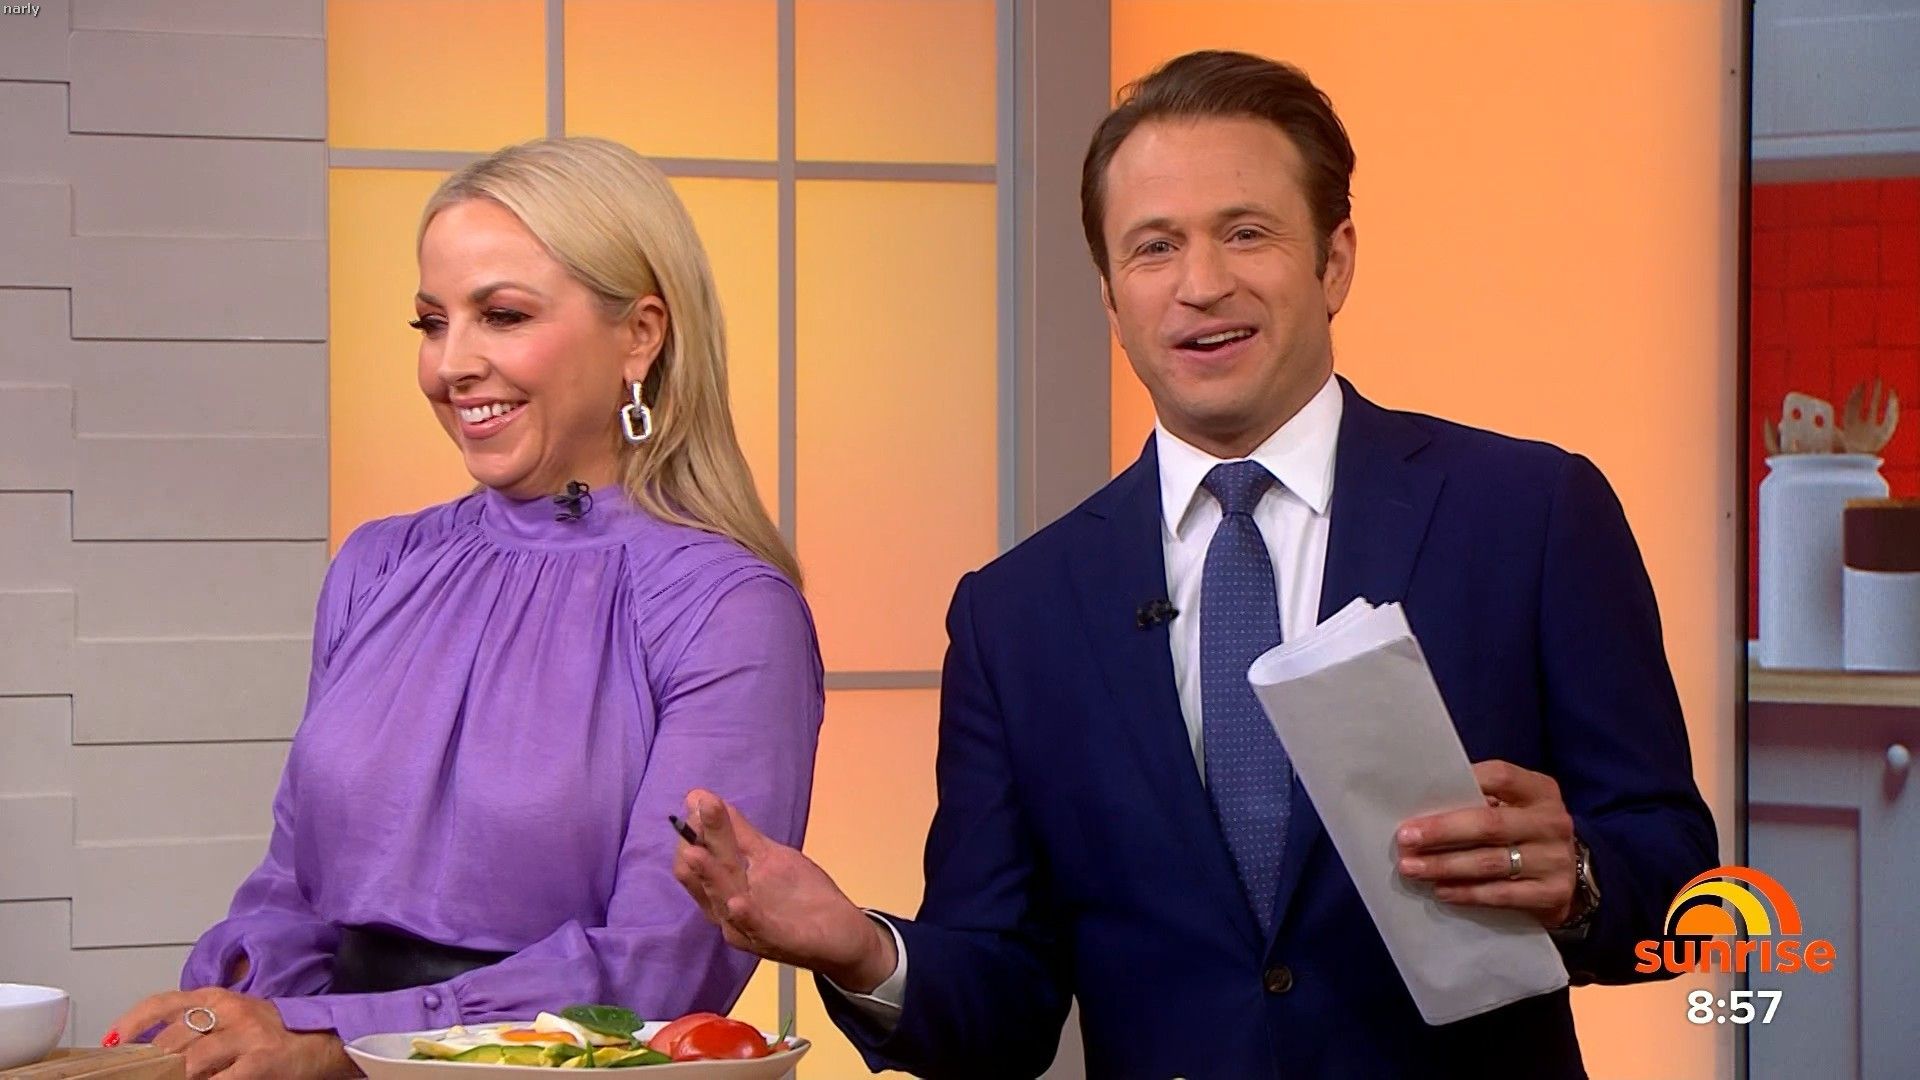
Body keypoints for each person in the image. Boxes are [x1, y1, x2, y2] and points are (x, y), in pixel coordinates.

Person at [673, 51, 1716, 1078]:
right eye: (1155, 248)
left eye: (1247, 233)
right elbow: (1005, 1008)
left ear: (1335, 261)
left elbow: (1682, 891)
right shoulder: (1019, 613)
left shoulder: (1530, 514)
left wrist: (1580, 880)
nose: (1202, 286)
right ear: (1110, 295)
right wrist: (861, 949)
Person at [105, 137, 825, 1080]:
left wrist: (336, 1040)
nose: (451, 365)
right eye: (431, 322)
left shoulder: (728, 609)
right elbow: (292, 884)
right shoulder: (377, 565)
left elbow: (658, 972)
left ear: (640, 335)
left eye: (503, 315)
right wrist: (234, 1017)